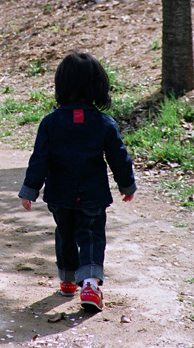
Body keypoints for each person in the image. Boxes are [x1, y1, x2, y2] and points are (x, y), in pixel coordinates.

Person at [18, 52, 136, 312]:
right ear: (98, 86)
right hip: (92, 194)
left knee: (65, 234)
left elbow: (40, 159)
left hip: (60, 194)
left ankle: (68, 280)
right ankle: (91, 286)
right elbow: (119, 158)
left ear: (61, 86)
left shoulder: (50, 123)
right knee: (92, 236)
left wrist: (30, 190)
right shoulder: (105, 123)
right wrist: (126, 185)